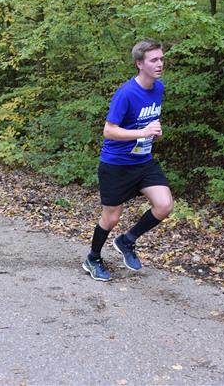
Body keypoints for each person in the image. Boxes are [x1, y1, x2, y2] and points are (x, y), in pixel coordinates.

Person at [83, 38, 175, 281]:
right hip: (116, 164)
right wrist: (142, 132)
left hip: (143, 161)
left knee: (164, 205)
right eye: (153, 60)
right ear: (139, 64)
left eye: (161, 59)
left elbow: (146, 119)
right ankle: (93, 258)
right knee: (111, 218)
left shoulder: (158, 88)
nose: (160, 64)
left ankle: (127, 240)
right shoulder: (125, 93)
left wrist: (154, 130)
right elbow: (109, 131)